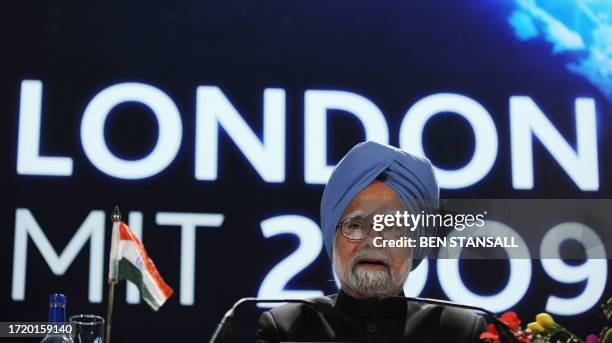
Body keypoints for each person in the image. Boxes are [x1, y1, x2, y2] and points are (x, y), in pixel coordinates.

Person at [255, 141, 486, 342]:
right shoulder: (288, 328)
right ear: (332, 238)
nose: (374, 241)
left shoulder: (458, 332)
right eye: (355, 225)